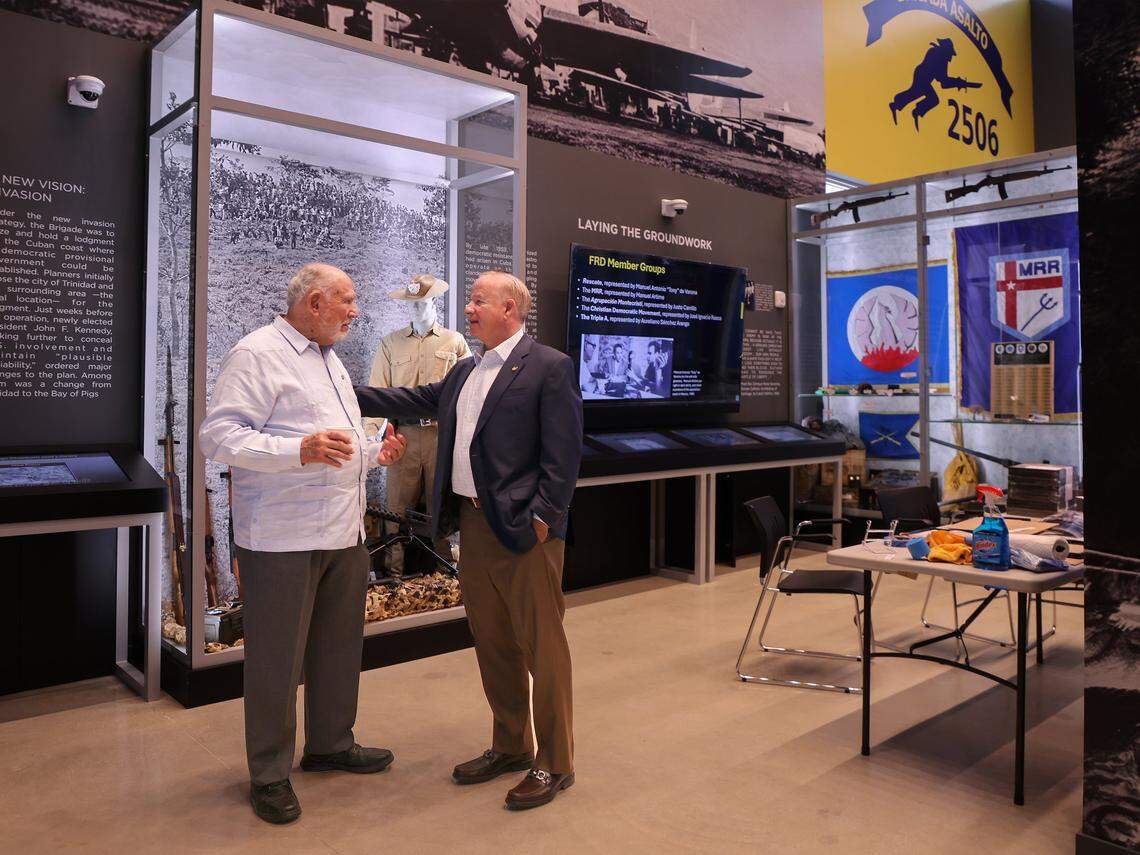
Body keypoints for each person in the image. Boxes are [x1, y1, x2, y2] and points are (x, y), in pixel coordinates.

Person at [355, 270, 583, 810]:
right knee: (495, 643)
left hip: (525, 532)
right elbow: (410, 396)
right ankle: (510, 744)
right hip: (474, 529)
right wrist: (339, 386)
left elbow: (564, 455)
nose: (469, 309)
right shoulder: (464, 371)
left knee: (541, 648)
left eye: (479, 300)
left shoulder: (548, 367)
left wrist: (542, 520)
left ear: (511, 308)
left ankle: (556, 762)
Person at [199, 263, 408, 826]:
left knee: (337, 649)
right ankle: (268, 773)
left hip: (344, 533)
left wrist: (374, 454)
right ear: (314, 302)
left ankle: (330, 744)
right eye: (347, 301)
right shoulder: (257, 353)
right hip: (282, 538)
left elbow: (335, 443)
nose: (355, 311)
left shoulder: (330, 360)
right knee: (276, 659)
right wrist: (298, 451)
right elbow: (218, 436)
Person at [367, 274, 470, 575]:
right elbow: (378, 395)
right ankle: (392, 577)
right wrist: (369, 440)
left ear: (434, 302)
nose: (416, 308)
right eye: (411, 304)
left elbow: (466, 395)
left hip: (441, 435)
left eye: (422, 302)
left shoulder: (455, 342)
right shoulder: (390, 344)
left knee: (444, 506)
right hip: (405, 437)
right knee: (396, 509)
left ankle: (447, 575)